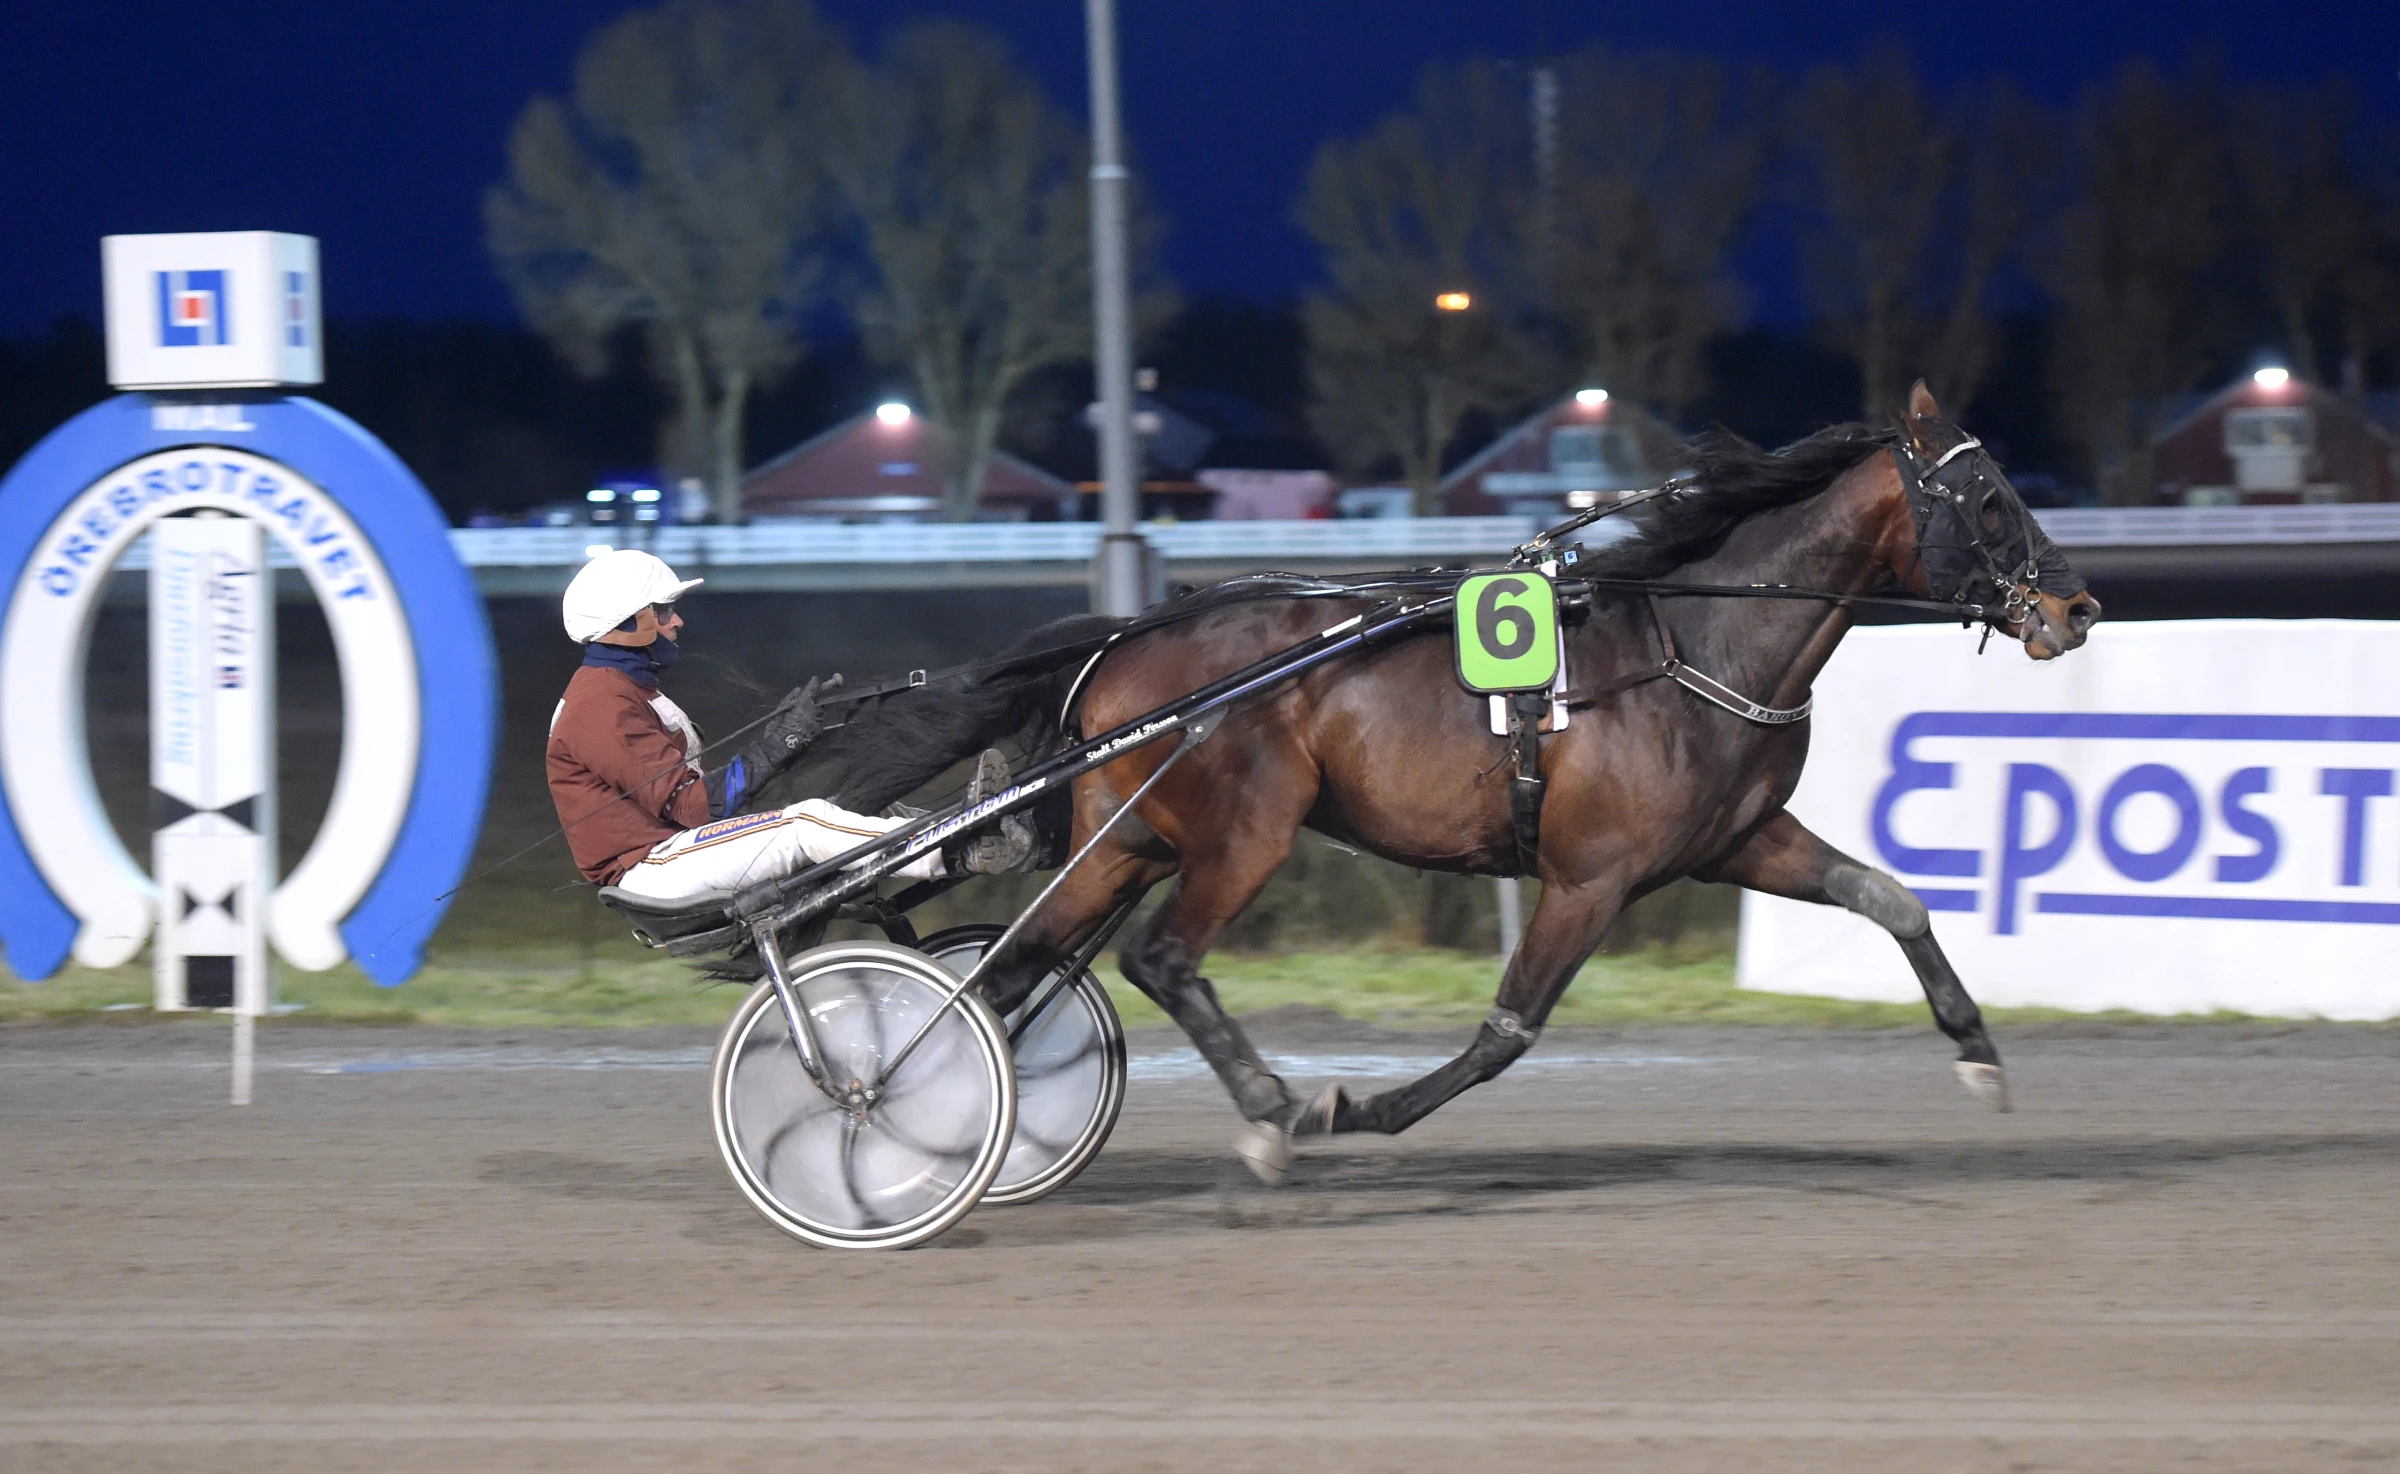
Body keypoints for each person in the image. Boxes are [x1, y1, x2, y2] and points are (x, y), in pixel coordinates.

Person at [546, 548, 1032, 906]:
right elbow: (697, 807)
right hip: (648, 868)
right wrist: (782, 742)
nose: (677, 623)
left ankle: (964, 830)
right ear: (628, 623)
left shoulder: (624, 689)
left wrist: (781, 741)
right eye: (665, 611)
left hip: (667, 852)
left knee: (845, 810)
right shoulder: (602, 703)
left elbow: (696, 799)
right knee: (805, 823)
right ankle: (953, 851)